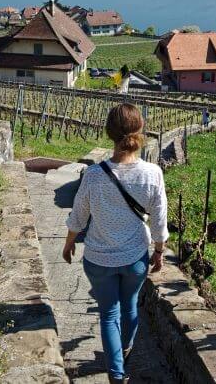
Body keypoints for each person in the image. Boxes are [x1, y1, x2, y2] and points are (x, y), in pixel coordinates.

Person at [64, 103, 169, 384]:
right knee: (130, 305)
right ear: (140, 130)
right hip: (135, 257)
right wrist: (158, 251)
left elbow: (78, 215)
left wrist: (68, 244)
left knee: (108, 313)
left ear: (109, 133)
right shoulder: (152, 174)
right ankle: (124, 350)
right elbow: (159, 222)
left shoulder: (94, 175)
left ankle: (117, 373)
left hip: (98, 258)